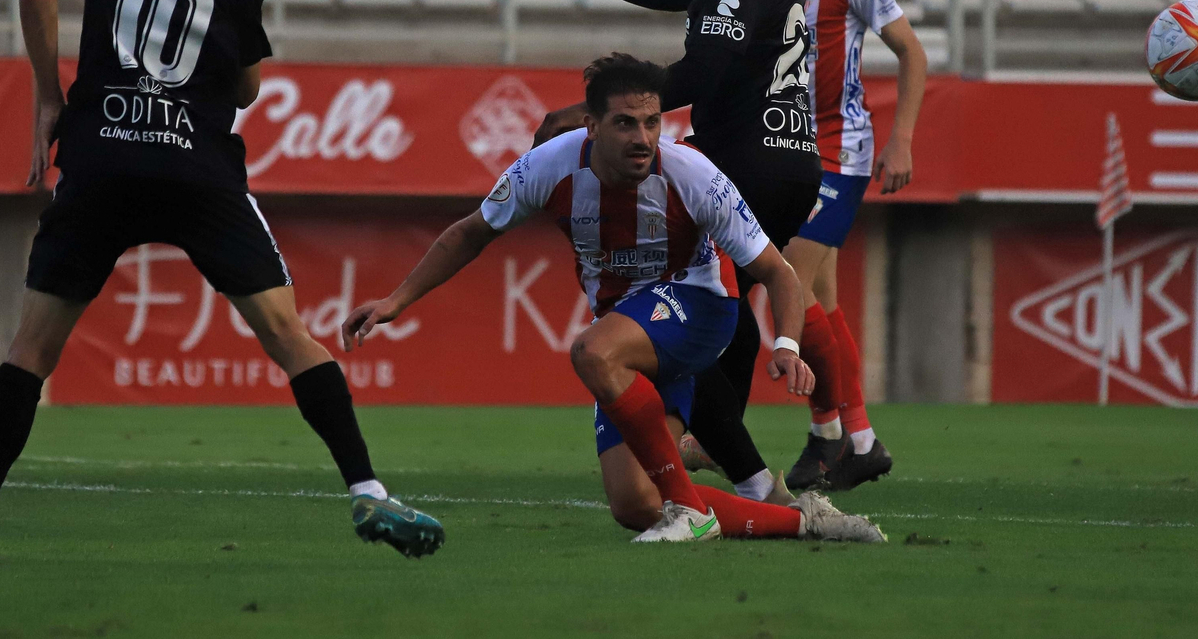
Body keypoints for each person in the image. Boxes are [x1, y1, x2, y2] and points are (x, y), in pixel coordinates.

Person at [0, 0, 443, 566]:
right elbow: (247, 90)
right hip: (193, 165)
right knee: (289, 337)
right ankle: (366, 489)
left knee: (29, 351)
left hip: (99, 160)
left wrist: (48, 97)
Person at [344, 54, 883, 544]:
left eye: (652, 122)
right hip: (629, 326)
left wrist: (786, 343)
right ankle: (801, 520)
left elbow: (779, 272)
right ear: (592, 125)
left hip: (699, 308)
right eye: (625, 123)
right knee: (634, 503)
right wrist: (396, 300)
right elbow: (469, 233)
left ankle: (692, 514)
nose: (642, 137)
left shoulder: (692, 173)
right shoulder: (548, 167)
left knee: (593, 352)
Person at [508, 0, 821, 506]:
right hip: (791, 162)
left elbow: (700, 72)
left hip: (749, 160)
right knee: (725, 311)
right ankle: (729, 449)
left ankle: (742, 471)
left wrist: (596, 111)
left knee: (688, 313)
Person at [765, 0, 927, 492]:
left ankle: (848, 436)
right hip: (781, 152)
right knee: (820, 303)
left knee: (781, 283)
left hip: (838, 152)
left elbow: (911, 51)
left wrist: (902, 139)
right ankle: (838, 436)